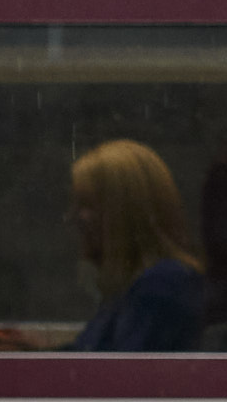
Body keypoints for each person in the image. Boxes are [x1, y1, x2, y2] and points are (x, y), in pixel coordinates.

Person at [69, 137, 209, 350]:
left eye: (87, 205)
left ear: (122, 213)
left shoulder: (160, 288)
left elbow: (118, 376)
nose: (75, 217)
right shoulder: (126, 290)